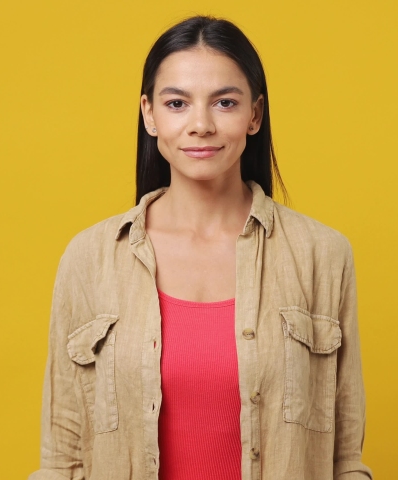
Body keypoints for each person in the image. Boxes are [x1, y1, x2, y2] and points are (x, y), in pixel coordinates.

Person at [28, 15, 372, 480]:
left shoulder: (322, 255)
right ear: (149, 113)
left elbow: (345, 459)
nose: (201, 125)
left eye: (225, 102)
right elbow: (61, 460)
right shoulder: (90, 259)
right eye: (177, 103)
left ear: (255, 114)